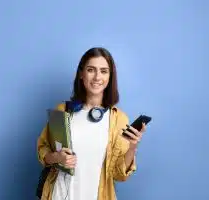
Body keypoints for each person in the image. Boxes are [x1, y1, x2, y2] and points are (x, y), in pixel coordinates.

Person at [37, 47, 148, 200]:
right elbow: (43, 153)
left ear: (110, 77)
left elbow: (119, 175)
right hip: (59, 195)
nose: (97, 77)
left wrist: (132, 147)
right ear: (81, 74)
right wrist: (58, 158)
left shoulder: (119, 119)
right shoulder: (62, 111)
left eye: (104, 71)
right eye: (91, 70)